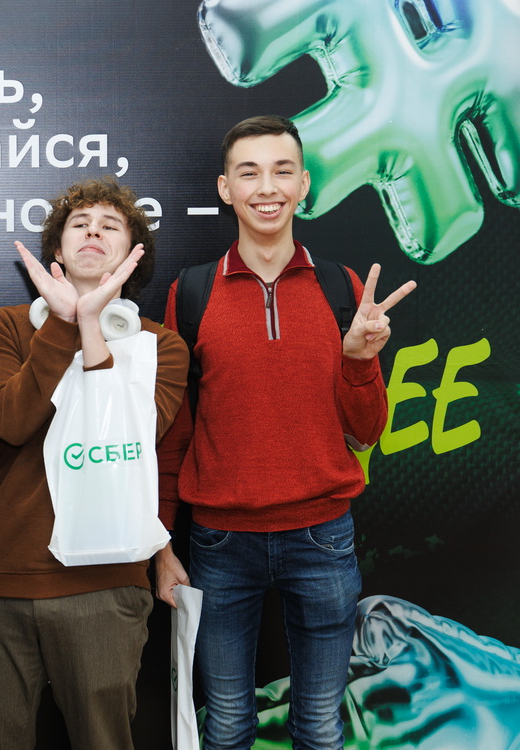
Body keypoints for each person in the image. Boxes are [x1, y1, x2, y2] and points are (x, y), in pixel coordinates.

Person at [153, 115, 417, 750]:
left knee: (321, 728)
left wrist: (359, 361)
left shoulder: (340, 288)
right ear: (226, 188)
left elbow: (366, 434)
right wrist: (161, 545)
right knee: (226, 727)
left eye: (281, 171)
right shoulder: (191, 292)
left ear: (303, 185)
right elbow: (174, 433)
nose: (266, 187)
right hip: (220, 542)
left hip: (322, 538)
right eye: (249, 173)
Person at [0, 177, 189, 749]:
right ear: (57, 251)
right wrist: (62, 326)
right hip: (0, 580)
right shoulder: (8, 326)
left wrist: (89, 324)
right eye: (79, 224)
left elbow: (131, 438)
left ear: (133, 254)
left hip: (105, 583)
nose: (93, 232)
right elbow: (10, 421)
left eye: (111, 226)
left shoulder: (163, 346)